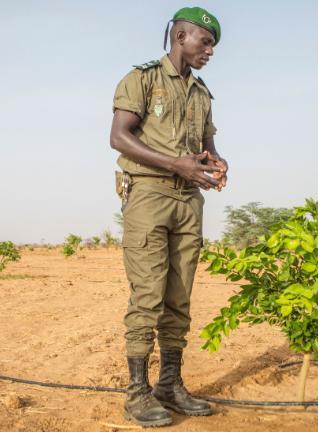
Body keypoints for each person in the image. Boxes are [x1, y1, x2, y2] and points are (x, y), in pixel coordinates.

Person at [108, 6, 228, 428]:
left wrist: (215, 164)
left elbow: (207, 146)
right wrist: (176, 164)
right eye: (206, 42)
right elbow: (118, 137)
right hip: (148, 198)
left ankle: (169, 385)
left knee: (178, 299)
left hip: (188, 202)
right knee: (148, 296)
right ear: (181, 36)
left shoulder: (201, 93)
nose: (210, 51)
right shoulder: (141, 80)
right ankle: (137, 393)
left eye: (213, 45)